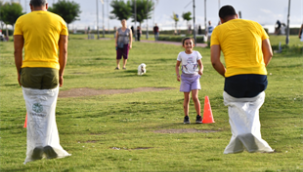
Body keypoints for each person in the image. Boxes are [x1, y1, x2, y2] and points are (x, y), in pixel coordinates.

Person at [210, 5, 274, 154]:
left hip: (234, 78)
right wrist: (260, 69)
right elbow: (269, 53)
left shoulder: (218, 30)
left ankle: (241, 136)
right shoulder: (256, 25)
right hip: (258, 77)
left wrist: (226, 74)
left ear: (221, 19)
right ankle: (252, 137)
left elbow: (214, 61)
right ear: (237, 15)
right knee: (253, 105)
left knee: (234, 103)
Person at [14, 0, 71, 164]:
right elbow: (64, 50)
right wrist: (60, 73)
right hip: (51, 70)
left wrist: (19, 72)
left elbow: (18, 50)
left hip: (30, 70)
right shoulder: (59, 21)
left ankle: (36, 147)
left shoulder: (22, 21)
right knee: (48, 109)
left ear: (30, 6)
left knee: (33, 110)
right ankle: (48, 143)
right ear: (46, 5)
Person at [175, 38, 204, 124]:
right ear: (183, 46)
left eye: (190, 43)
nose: (188, 45)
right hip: (185, 78)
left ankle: (198, 116)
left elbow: (201, 64)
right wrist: (177, 74)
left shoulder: (196, 53)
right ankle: (186, 117)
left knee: (195, 97)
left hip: (195, 77)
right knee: (186, 98)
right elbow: (177, 66)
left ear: (193, 45)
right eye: (186, 44)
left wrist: (201, 70)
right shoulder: (181, 54)